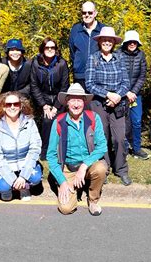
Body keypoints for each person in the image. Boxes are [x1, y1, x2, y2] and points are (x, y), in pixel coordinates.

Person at [46, 83, 108, 216]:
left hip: (88, 165)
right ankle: (74, 186)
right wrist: (62, 182)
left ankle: (93, 200)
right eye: (72, 100)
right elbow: (50, 156)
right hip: (68, 169)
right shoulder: (58, 122)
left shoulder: (93, 118)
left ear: (84, 102)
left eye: (79, 100)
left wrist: (84, 166)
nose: (76, 104)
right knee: (66, 209)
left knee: (101, 168)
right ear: (67, 102)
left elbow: (102, 146)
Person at [85, 27, 132, 186]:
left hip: (118, 103)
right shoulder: (93, 58)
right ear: (99, 41)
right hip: (99, 103)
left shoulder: (119, 59)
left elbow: (126, 82)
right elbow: (89, 84)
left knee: (119, 137)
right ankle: (104, 168)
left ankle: (121, 169)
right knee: (102, 137)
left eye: (110, 40)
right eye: (103, 39)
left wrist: (117, 96)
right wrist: (108, 94)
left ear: (114, 42)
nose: (106, 42)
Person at [0, 92, 42, 202]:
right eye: (8, 104)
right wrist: (13, 180)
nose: (12, 107)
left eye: (16, 104)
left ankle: (23, 187)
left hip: (24, 164)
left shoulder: (30, 123)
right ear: (3, 107)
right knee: (3, 186)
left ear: (21, 106)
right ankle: (10, 189)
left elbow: (35, 148)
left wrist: (23, 177)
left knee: (36, 179)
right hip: (5, 166)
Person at [30, 37, 69, 160]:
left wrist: (56, 107)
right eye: (47, 47)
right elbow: (34, 86)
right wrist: (44, 105)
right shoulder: (36, 63)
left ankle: (61, 149)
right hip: (43, 99)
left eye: (52, 47)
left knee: (60, 120)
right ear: (42, 49)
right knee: (47, 121)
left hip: (59, 99)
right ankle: (45, 150)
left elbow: (64, 86)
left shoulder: (61, 63)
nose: (50, 50)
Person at [119, 30, 149, 160]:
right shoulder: (118, 54)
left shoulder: (141, 55)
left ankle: (136, 148)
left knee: (136, 121)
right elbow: (117, 75)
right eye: (130, 41)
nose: (132, 44)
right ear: (125, 42)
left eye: (134, 41)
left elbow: (142, 76)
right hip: (121, 94)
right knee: (123, 122)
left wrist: (133, 92)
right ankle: (124, 148)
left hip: (136, 95)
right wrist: (126, 92)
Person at [69, 1, 106, 90]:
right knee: (80, 103)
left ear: (95, 13)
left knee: (96, 104)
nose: (87, 15)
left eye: (90, 12)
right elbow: (72, 52)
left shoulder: (103, 29)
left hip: (98, 76)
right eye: (84, 12)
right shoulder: (75, 29)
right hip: (80, 76)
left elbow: (108, 51)